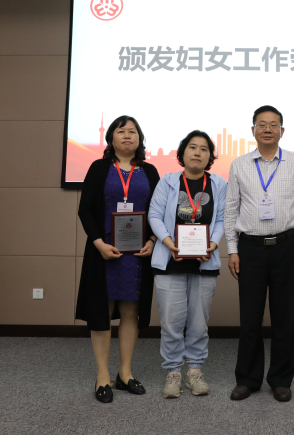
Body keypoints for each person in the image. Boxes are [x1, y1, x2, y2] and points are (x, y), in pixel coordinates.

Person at [225, 105, 294, 402]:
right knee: (250, 318)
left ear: (282, 131)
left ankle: (280, 379)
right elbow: (230, 210)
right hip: (250, 249)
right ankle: (247, 379)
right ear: (253, 130)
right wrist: (232, 250)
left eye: (273, 124)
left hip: (286, 246)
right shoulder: (239, 164)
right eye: (262, 124)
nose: (267, 129)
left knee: (285, 318)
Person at [75, 115, 160, 403]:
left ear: (140, 139)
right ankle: (102, 375)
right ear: (111, 137)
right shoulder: (99, 168)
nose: (127, 135)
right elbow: (86, 209)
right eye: (121, 130)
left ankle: (125, 373)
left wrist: (152, 241)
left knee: (130, 311)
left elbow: (158, 212)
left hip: (137, 254)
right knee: (102, 311)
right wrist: (99, 243)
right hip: (104, 251)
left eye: (132, 131)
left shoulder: (149, 171)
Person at [147, 131, 227, 398]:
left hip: (204, 260)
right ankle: (173, 372)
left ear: (210, 157)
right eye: (192, 147)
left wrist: (212, 243)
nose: (197, 152)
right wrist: (168, 242)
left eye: (204, 149)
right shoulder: (168, 181)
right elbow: (154, 214)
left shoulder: (219, 184)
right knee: (171, 321)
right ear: (182, 153)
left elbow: (221, 219)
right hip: (170, 259)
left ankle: (194, 371)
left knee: (199, 322)